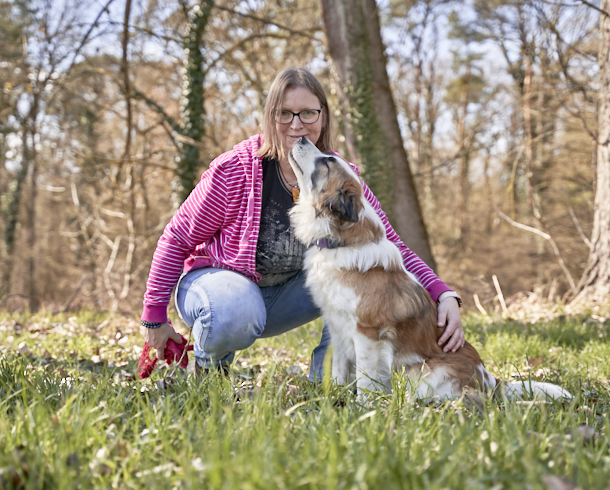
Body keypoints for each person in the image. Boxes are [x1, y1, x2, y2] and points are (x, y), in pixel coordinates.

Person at [140, 67, 464, 381]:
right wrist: (154, 318)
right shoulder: (234, 171)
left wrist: (442, 294)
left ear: (323, 116)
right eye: (285, 113)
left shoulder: (339, 178)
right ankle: (209, 371)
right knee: (236, 307)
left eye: (308, 113)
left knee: (351, 273)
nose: (297, 125)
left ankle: (328, 382)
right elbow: (177, 238)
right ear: (271, 117)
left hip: (287, 298)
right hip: (222, 291)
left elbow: (386, 246)